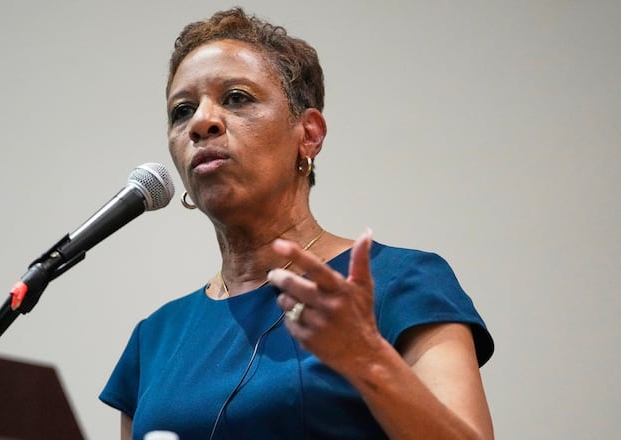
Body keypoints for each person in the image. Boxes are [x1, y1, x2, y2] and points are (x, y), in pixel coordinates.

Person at [100, 7, 494, 440]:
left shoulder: (402, 283)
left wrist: (367, 359)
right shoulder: (154, 340)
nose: (200, 122)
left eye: (236, 98)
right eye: (182, 110)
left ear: (308, 134)